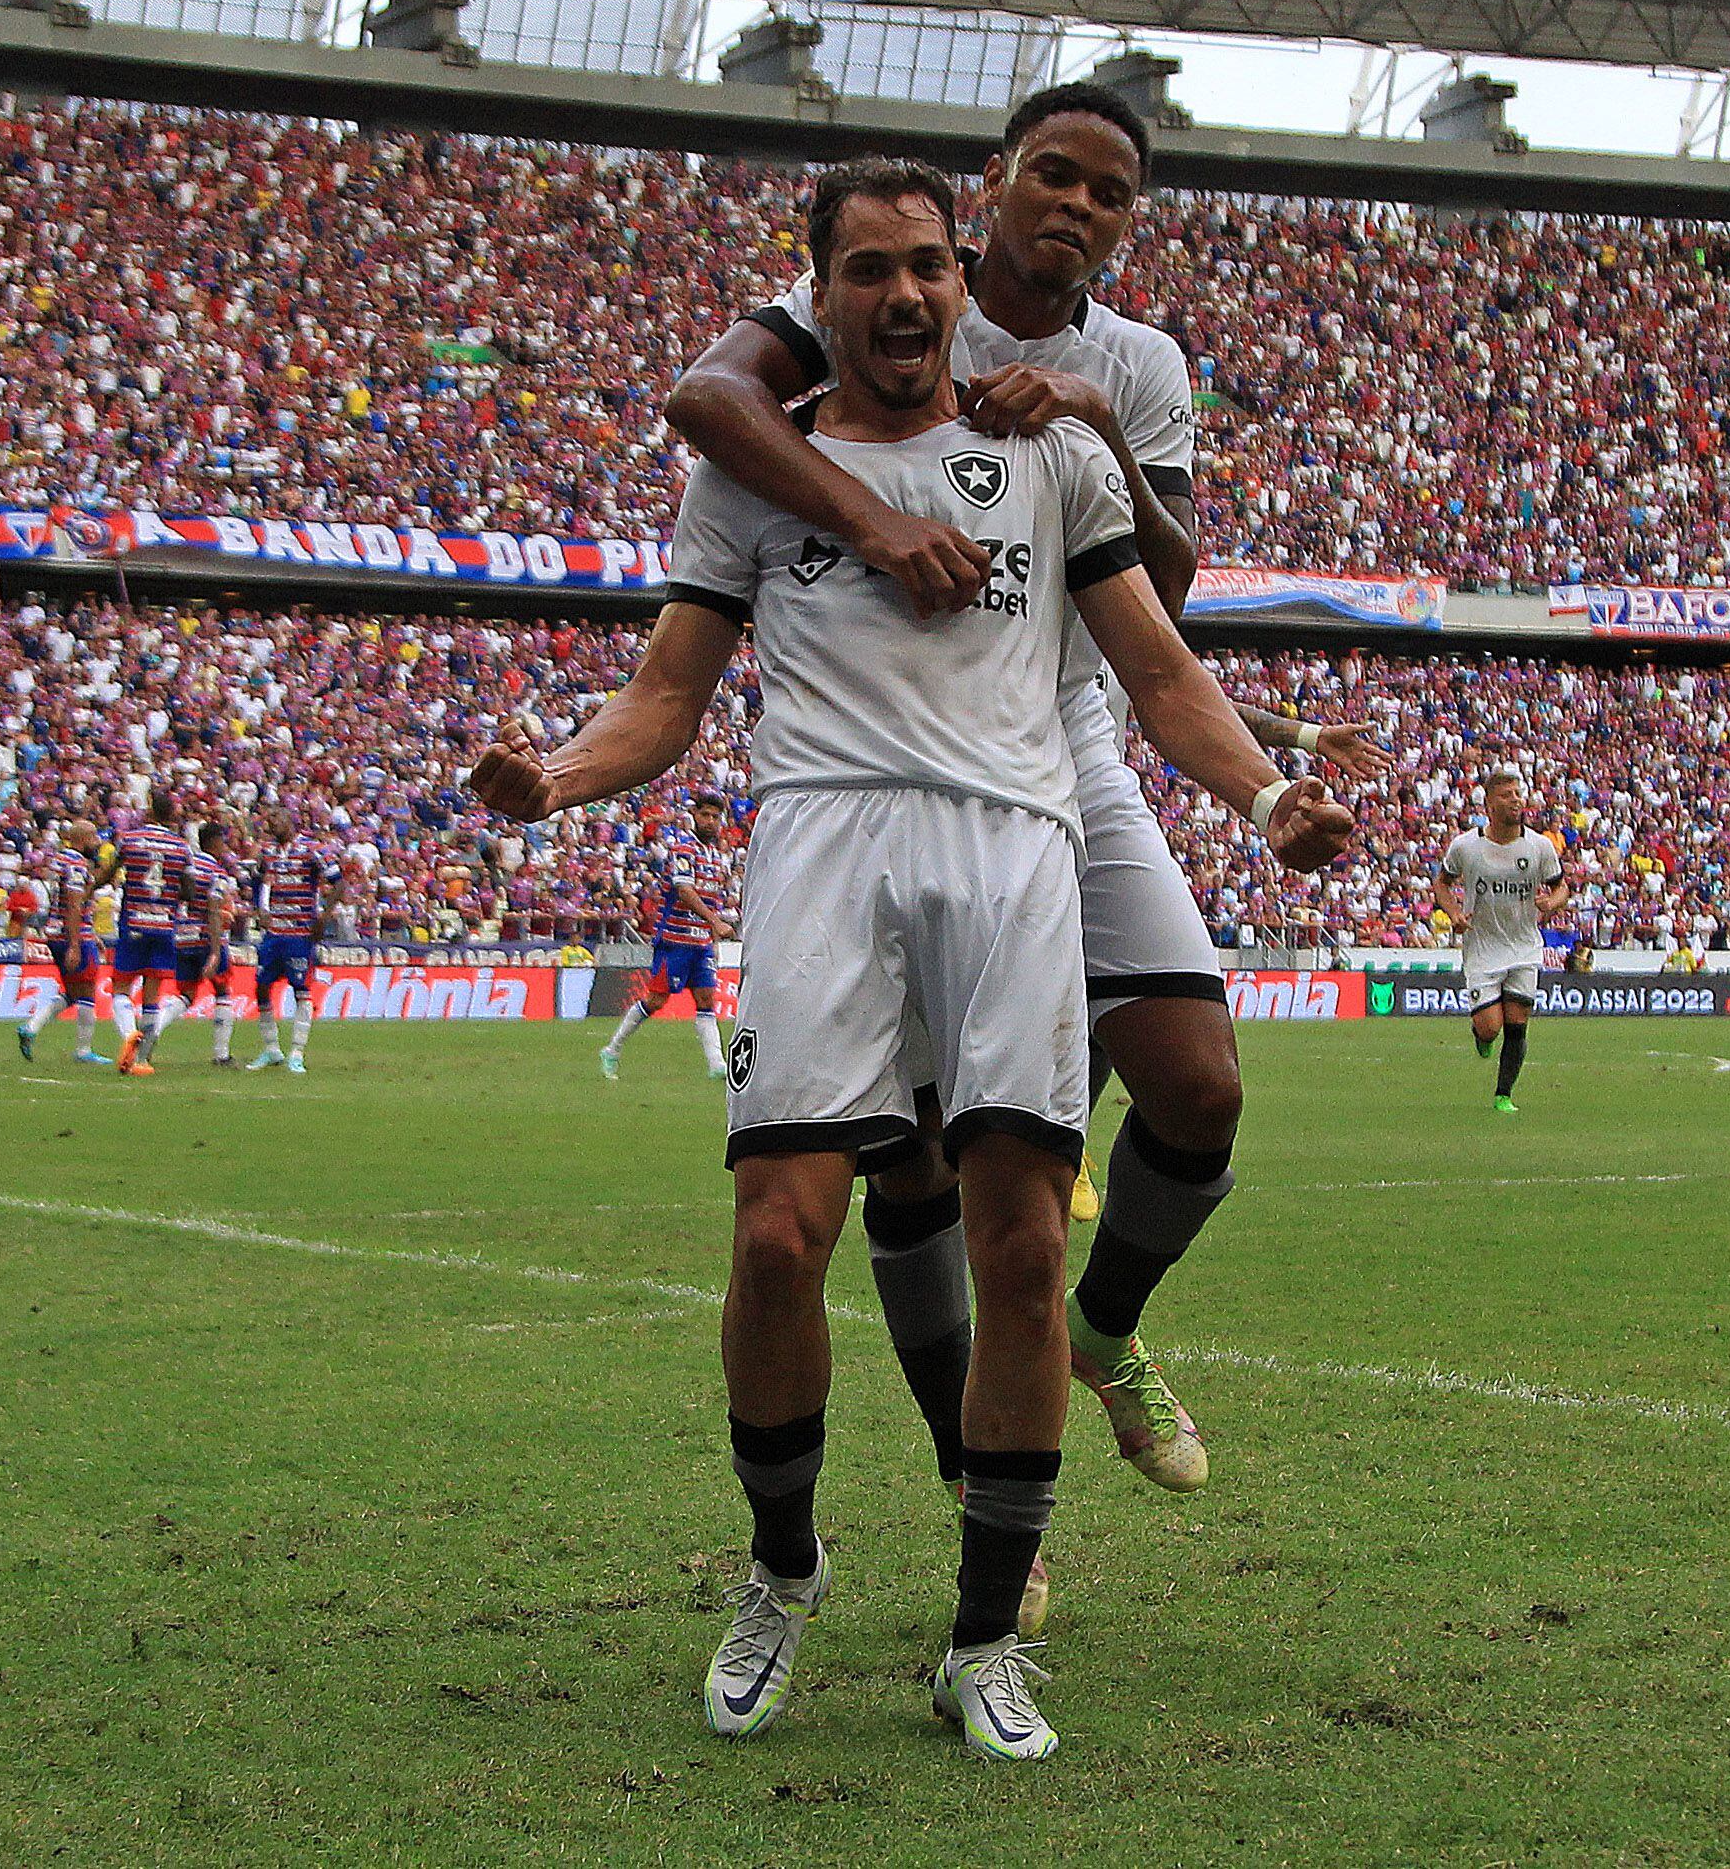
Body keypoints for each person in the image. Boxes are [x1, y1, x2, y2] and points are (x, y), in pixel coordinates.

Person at [469, 157, 1351, 1762]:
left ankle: (976, 1641)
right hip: (820, 845)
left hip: (1013, 849)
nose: (900, 295)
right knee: (769, 1239)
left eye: (925, 267)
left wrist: (1264, 790)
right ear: (816, 297)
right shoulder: (761, 474)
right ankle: (780, 1571)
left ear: (962, 281)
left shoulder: (1047, 457)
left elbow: (1154, 670)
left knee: (1020, 1248)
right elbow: (665, 693)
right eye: (864, 269)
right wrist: (563, 772)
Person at [667, 81, 1391, 1500]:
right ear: (994, 181)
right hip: (896, 764)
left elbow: (1162, 593)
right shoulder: (888, 282)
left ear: (1128, 222)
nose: (1072, 204)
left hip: (1069, 741)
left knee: (1193, 1081)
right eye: (1050, 173)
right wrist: (871, 522)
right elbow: (707, 401)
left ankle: (1101, 1331)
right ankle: (975, 1477)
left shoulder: (1138, 360)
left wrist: (1089, 421)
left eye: (1106, 192)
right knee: (917, 1162)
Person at [1435, 770, 1568, 1113]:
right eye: (1507, 795)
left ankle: (1503, 1095)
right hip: (1482, 948)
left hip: (1524, 946)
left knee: (1517, 1023)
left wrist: (1553, 903)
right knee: (1490, 1027)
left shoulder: (1539, 846)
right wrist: (1453, 913)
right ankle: (1481, 1037)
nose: (1516, 800)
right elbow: (1442, 884)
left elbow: (1561, 887)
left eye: (1518, 793)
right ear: (1489, 804)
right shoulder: (1466, 846)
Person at [598, 792, 736, 1082]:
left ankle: (717, 1065)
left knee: (706, 999)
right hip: (674, 941)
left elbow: (711, 899)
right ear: (694, 816)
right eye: (705, 815)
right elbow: (685, 892)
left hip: (700, 943)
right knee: (656, 1001)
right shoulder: (684, 850)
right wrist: (716, 922)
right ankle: (612, 1049)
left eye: (715, 817)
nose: (710, 822)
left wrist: (713, 937)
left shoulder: (716, 856)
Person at [110, 791, 202, 1076]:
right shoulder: (182, 846)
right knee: (152, 995)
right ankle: (142, 1061)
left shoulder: (130, 839)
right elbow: (189, 891)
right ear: (171, 816)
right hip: (164, 925)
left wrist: (92, 889)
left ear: (150, 811)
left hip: (134, 921)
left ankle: (129, 1034)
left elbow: (110, 871)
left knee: (121, 988)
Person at [16, 816, 115, 1065]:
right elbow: (73, 904)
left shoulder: (61, 860)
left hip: (59, 933)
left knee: (72, 992)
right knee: (87, 990)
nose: (97, 842)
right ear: (82, 839)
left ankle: (31, 1027)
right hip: (72, 935)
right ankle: (83, 1050)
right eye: (93, 837)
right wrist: (76, 943)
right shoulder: (76, 865)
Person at [245, 816, 336, 1073]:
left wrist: (323, 917)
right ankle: (272, 1049)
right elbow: (259, 883)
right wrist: (261, 909)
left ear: (292, 824)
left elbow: (338, 883)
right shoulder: (268, 853)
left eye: (279, 821)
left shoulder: (312, 850)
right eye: (272, 823)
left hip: (300, 932)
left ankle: (296, 1052)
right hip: (274, 933)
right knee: (261, 987)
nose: (274, 826)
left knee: (302, 990)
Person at [189, 819, 248, 1066]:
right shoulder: (216, 872)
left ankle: (148, 1036)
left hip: (183, 935)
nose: (226, 846)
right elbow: (213, 909)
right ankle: (221, 1054)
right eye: (223, 841)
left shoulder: (189, 866)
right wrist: (215, 949)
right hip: (209, 936)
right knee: (223, 991)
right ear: (215, 842)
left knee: (183, 994)